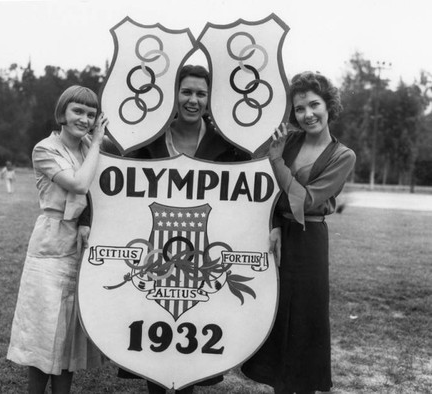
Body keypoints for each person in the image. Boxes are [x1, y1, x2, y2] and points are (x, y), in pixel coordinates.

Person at [114, 64, 250, 394]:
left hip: (202, 256)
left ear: (210, 98)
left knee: (192, 340)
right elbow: (114, 190)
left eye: (201, 93)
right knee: (154, 339)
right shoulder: (148, 139)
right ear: (173, 94)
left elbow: (249, 197)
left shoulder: (227, 145)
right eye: (186, 91)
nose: (193, 100)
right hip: (155, 253)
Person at [241, 71, 356, 394]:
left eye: (314, 105)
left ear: (329, 106)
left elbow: (302, 201)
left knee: (305, 321)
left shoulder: (343, 155)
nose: (308, 114)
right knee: (277, 318)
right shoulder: (288, 140)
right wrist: (275, 225)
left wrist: (276, 160)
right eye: (300, 108)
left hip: (310, 242)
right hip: (278, 237)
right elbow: (267, 192)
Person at [7, 85, 109, 394]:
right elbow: (78, 184)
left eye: (91, 114)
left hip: (82, 244)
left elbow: (100, 191)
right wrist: (97, 144)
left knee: (67, 337)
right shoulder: (45, 149)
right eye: (77, 111)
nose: (84, 119)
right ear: (62, 114)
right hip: (51, 241)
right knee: (43, 333)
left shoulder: (89, 145)